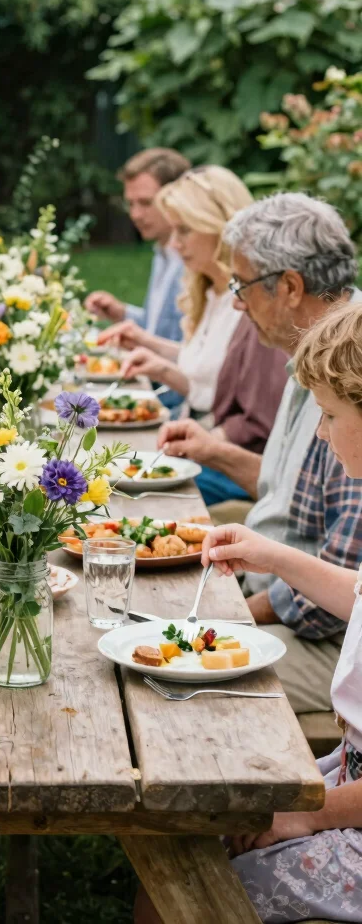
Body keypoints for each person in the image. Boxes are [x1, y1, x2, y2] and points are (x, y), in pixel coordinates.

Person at [133, 301, 362, 924]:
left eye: (331, 415)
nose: (320, 433)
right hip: (346, 781)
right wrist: (275, 555)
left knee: (169, 897)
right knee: (193, 826)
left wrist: (303, 814)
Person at [158, 192, 362, 716]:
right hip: (273, 592)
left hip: (326, 641)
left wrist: (225, 618)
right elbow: (294, 497)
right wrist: (216, 454)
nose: (236, 303)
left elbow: (333, 601)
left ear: (291, 287)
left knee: (171, 683)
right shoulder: (312, 356)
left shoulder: (348, 374)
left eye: (243, 286)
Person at [100, 166, 288, 505]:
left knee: (120, 494)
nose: (174, 244)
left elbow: (255, 422)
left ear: (220, 227)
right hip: (200, 439)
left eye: (184, 230)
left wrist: (195, 444)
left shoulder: (251, 302)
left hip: (231, 467)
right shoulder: (208, 290)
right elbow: (204, 368)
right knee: (103, 467)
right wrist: (151, 351)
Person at [85, 147, 190, 337]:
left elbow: (189, 351)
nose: (135, 215)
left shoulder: (192, 261)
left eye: (146, 203)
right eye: (130, 204)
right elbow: (158, 329)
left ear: (176, 198)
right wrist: (123, 313)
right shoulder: (162, 253)